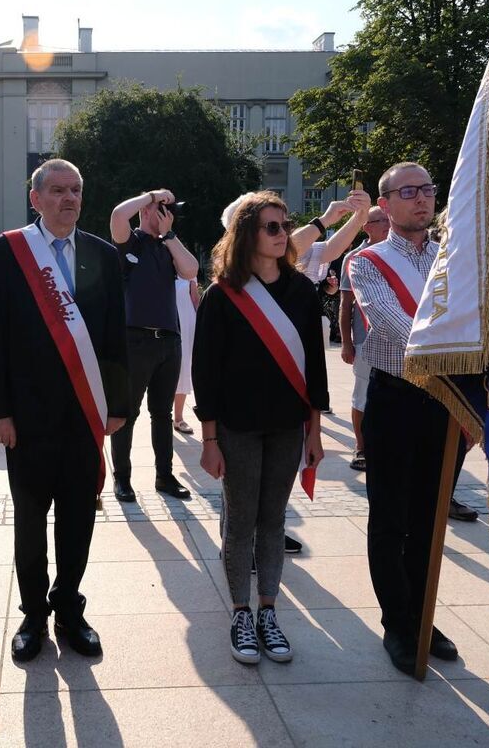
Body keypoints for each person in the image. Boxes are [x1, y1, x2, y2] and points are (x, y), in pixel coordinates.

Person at [0, 158, 128, 662]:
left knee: (78, 518)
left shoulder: (103, 256)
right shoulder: (7, 252)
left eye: (76, 190)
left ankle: (69, 609)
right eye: (58, 190)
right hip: (27, 417)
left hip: (86, 414)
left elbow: (113, 339)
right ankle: (33, 615)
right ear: (35, 198)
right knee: (29, 521)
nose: (69, 198)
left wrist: (118, 406)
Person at [193, 191, 327, 665]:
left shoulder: (302, 291)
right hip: (238, 428)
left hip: (288, 427)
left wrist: (315, 431)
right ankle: (240, 613)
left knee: (274, 522)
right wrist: (209, 440)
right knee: (241, 522)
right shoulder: (222, 294)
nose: (282, 235)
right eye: (272, 226)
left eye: (284, 225)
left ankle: (269, 609)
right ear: (247, 233)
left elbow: (314, 369)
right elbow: (205, 372)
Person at [348, 163, 465, 674]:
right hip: (397, 398)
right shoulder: (366, 261)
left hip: (448, 404)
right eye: (409, 192)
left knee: (429, 519)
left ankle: (422, 614)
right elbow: (395, 325)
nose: (422, 199)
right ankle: (397, 622)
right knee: (391, 517)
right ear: (387, 202)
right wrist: (451, 350)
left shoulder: (456, 260)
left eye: (428, 190)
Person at [108, 189, 200, 502]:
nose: (170, 214)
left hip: (168, 341)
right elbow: (118, 216)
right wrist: (149, 195)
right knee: (127, 413)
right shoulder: (130, 241)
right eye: (165, 209)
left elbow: (190, 271)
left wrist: (169, 234)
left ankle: (165, 476)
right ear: (149, 210)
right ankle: (122, 478)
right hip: (134, 340)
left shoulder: (168, 245)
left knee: (161, 414)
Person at [338, 206, 389, 472]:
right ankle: (361, 447)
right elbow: (346, 304)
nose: (388, 225)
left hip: (398, 342)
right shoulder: (354, 258)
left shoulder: (398, 253)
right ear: (366, 226)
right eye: (382, 221)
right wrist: (346, 342)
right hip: (365, 340)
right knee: (362, 396)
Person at [172, 277, 199, 435]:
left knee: (183, 369)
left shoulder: (189, 271)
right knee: (166, 372)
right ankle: (162, 415)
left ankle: (179, 418)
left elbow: (195, 299)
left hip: (187, 323)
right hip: (166, 322)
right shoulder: (159, 264)